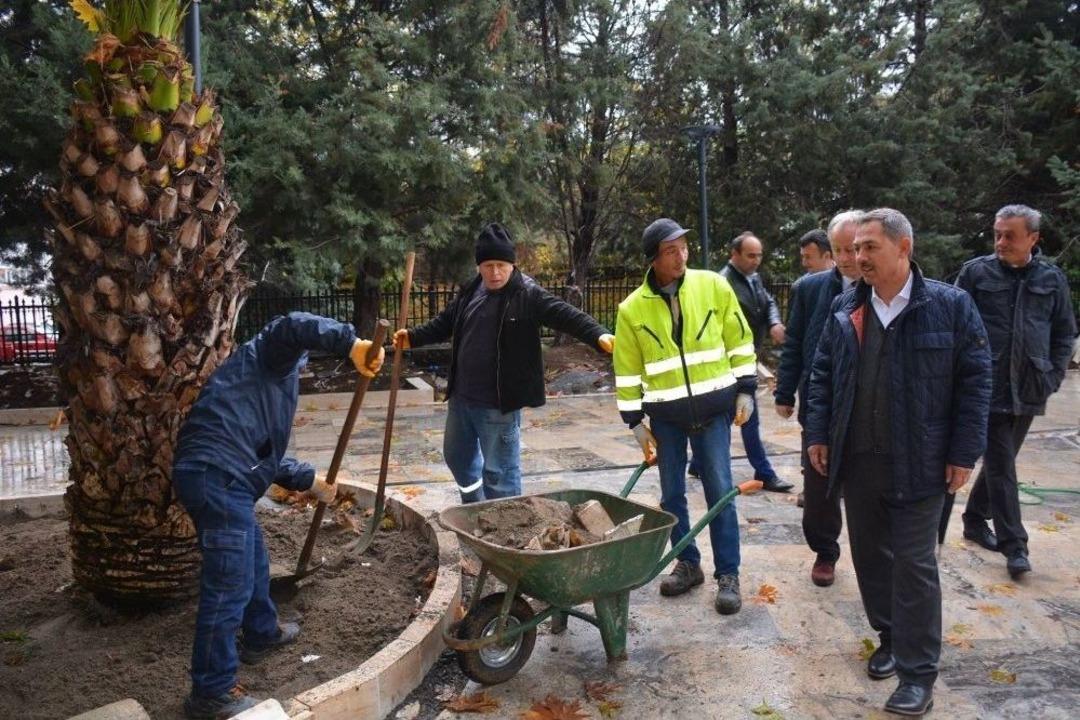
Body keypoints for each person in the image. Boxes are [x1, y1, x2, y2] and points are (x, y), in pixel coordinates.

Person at [805, 208, 991, 717]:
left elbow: (976, 383)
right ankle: (888, 636)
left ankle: (917, 674)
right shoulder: (847, 305)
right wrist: (817, 433)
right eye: (856, 248)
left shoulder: (951, 306)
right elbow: (822, 374)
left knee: (914, 565)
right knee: (870, 559)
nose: (859, 257)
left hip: (923, 463)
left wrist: (962, 452)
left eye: (870, 247)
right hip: (859, 460)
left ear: (904, 248)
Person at [172, 312, 386, 719]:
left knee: (252, 556)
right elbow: (290, 324)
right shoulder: (270, 354)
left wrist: (310, 480)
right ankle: (210, 692)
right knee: (227, 584)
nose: (301, 366)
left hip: (219, 474)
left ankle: (261, 634)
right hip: (218, 476)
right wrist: (351, 343)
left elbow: (263, 453)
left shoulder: (254, 386)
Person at [394, 222, 613, 502]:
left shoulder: (528, 294)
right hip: (462, 400)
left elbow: (567, 315)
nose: (495, 272)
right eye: (488, 265)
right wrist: (412, 337)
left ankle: (508, 532)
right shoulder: (472, 290)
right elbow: (445, 323)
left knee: (500, 474)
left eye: (501, 264)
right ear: (479, 267)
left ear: (512, 263)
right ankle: (474, 508)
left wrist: (599, 335)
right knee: (458, 459)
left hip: (498, 405)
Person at [614, 218, 757, 614]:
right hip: (667, 419)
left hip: (714, 411)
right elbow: (626, 370)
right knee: (671, 494)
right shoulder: (631, 310)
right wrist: (634, 423)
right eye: (670, 251)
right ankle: (688, 562)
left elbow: (740, 340)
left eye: (683, 248)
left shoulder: (712, 286)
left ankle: (728, 574)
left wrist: (746, 389)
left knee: (719, 491)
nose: (680, 256)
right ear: (653, 260)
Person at [956, 204, 1076, 578]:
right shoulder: (976, 272)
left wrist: (1053, 375)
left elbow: (1064, 333)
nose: (1001, 241)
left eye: (1010, 235)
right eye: (997, 234)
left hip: (1029, 386)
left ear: (1033, 239)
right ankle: (1015, 545)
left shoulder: (1051, 279)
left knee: (998, 462)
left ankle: (975, 519)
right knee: (1003, 464)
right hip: (985, 385)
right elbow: (953, 322)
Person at [774, 211, 861, 587]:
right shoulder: (810, 288)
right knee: (819, 479)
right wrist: (784, 390)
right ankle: (825, 550)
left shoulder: (884, 288)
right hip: (818, 398)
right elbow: (794, 341)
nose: (845, 257)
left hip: (865, 401)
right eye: (839, 249)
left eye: (852, 248)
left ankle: (874, 551)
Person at [716, 232, 794, 492]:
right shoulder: (722, 283)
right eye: (751, 255)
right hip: (731, 362)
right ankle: (765, 473)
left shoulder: (753, 278)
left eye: (759, 255)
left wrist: (773, 321)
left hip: (748, 357)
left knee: (728, 417)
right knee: (748, 417)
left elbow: (768, 301)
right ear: (734, 255)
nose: (756, 260)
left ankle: (699, 464)